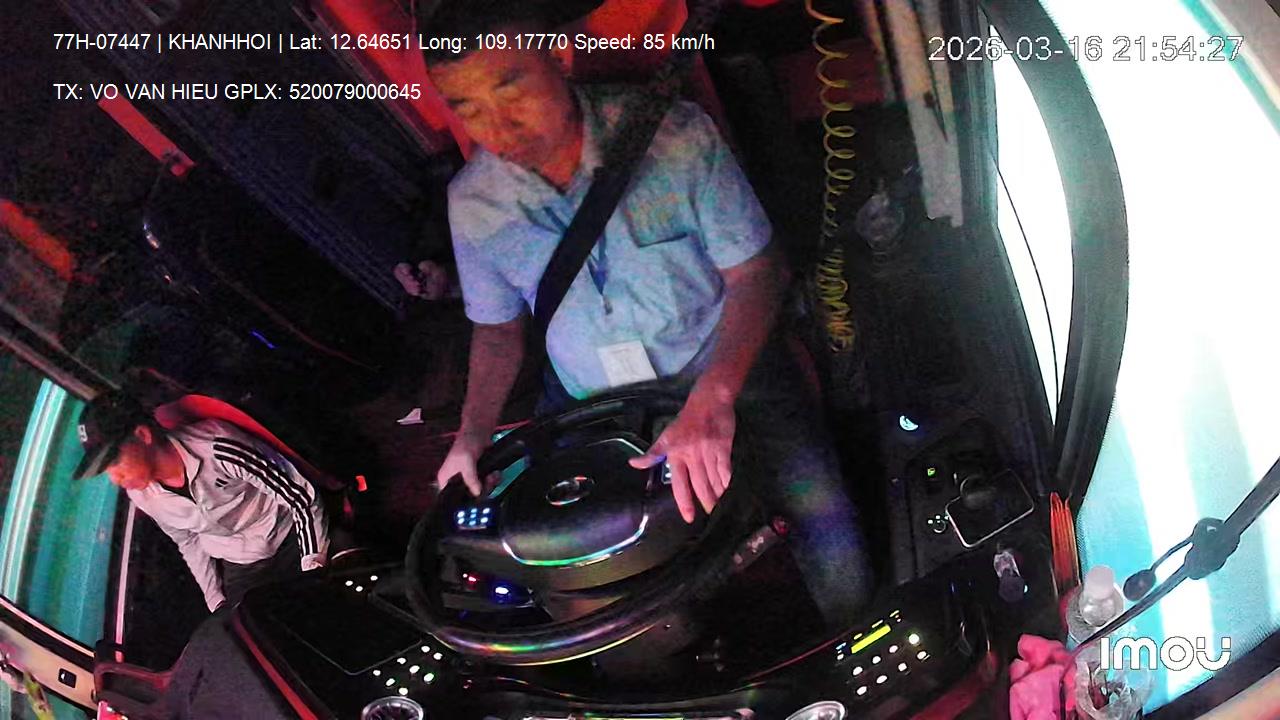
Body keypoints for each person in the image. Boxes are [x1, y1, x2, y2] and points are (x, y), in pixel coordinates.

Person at [425, 0, 872, 623]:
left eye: (511, 90)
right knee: (578, 575)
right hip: (589, 396)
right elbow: (498, 331)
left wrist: (713, 400)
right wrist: (473, 433)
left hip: (718, 367)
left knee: (831, 537)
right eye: (468, 110)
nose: (499, 131)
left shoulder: (674, 137)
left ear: (559, 57)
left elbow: (757, 273)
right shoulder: (472, 202)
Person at [72, 391, 329, 612]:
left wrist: (314, 570)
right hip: (240, 563)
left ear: (142, 435)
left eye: (115, 461)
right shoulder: (141, 496)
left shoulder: (218, 447)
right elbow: (187, 540)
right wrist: (215, 600)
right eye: (105, 470)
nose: (114, 478)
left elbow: (300, 497)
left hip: (290, 534)